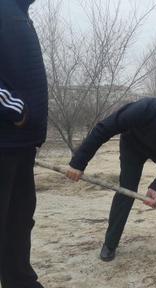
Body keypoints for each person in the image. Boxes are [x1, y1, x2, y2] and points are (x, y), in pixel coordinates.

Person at [66, 93, 156, 261]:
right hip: (134, 146)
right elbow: (104, 129)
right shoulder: (142, 109)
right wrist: (78, 163)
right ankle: (110, 243)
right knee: (127, 189)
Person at [0, 0, 48, 287]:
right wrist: (13, 107)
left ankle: (21, 281)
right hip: (3, 142)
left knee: (18, 222)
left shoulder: (17, 14)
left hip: (20, 146)